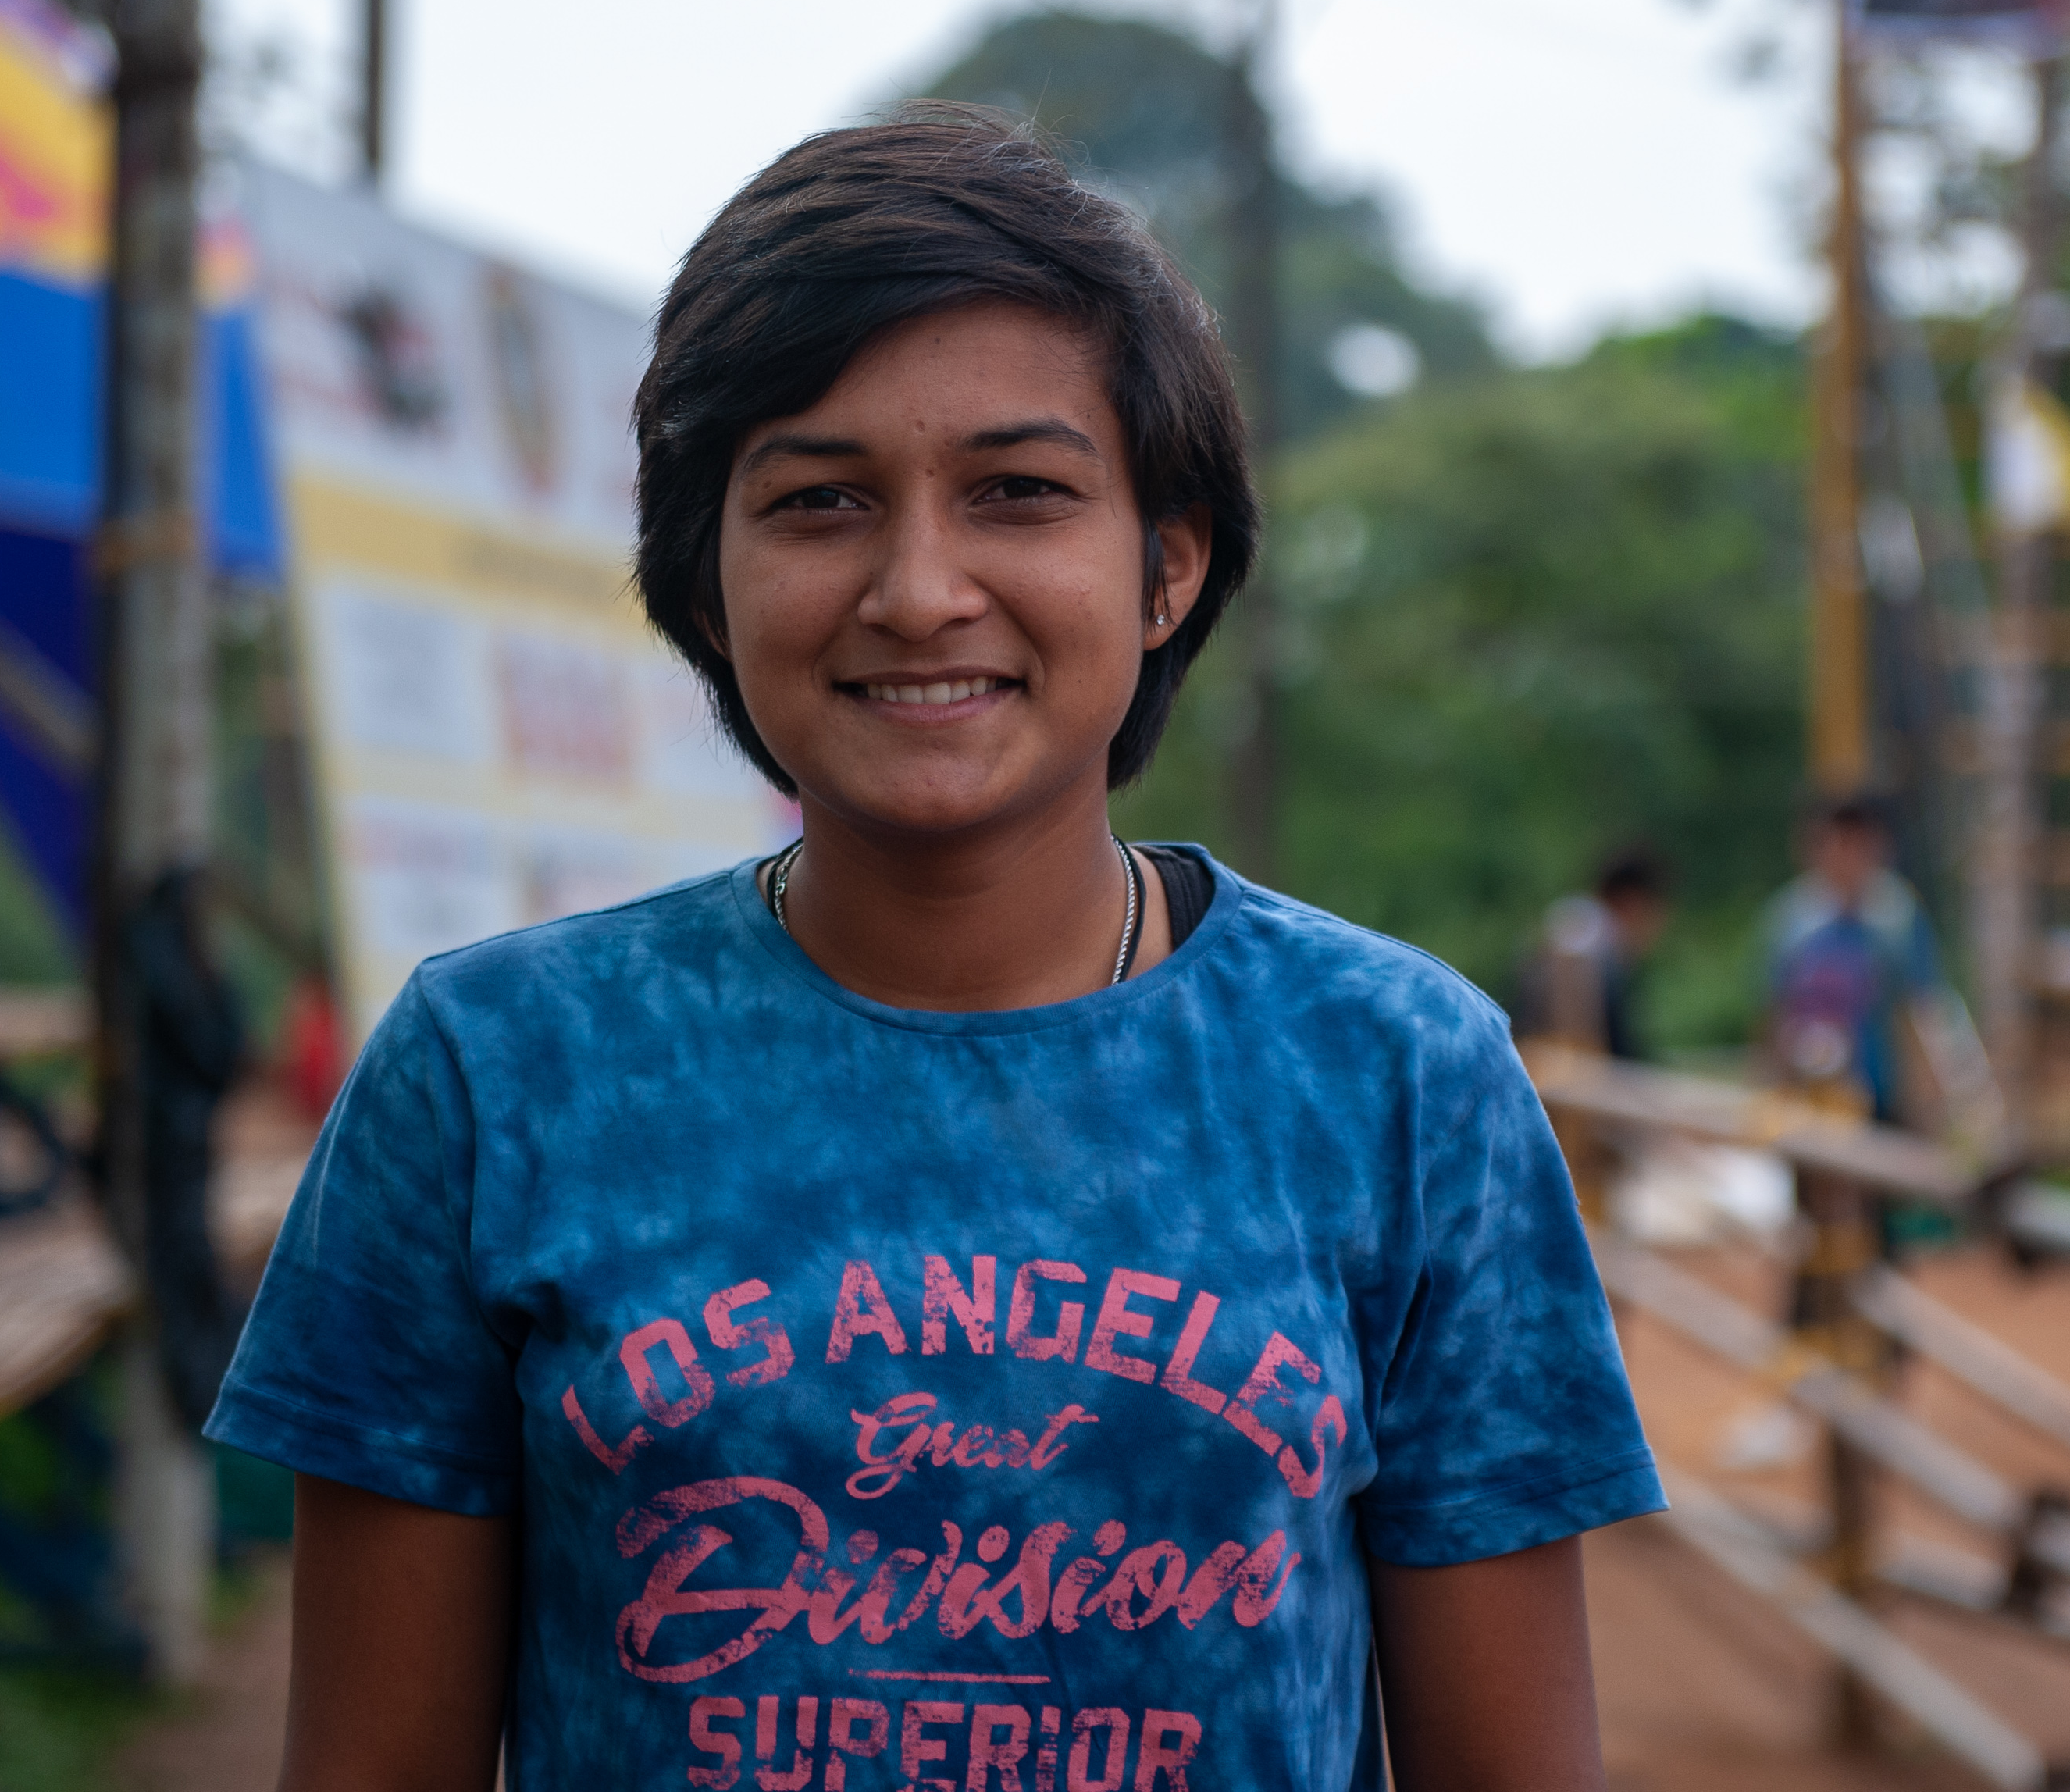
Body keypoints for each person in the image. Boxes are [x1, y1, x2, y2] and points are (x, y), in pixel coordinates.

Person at [211, 109, 1662, 1792]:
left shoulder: (1398, 1076)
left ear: (1164, 565)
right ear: (706, 568)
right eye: (818, 499)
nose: (916, 587)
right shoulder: (493, 1073)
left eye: (1018, 494)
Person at [1754, 792, 1962, 1134]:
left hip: (1880, 1094)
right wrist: (1770, 1088)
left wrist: (1928, 1099)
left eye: (1857, 844)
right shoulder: (1790, 921)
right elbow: (1775, 1012)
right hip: (1809, 1092)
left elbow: (1917, 1013)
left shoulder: (1897, 920)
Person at [1515, 849, 1672, 1061]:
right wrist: (1581, 1051)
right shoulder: (1588, 925)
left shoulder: (1587, 926)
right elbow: (1568, 964)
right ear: (1635, 901)